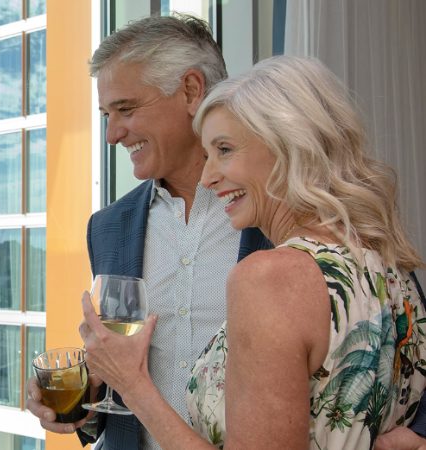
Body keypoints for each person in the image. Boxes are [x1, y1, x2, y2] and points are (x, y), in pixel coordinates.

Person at [79, 55, 426, 449]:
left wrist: (132, 383)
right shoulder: (385, 261)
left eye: (224, 150)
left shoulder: (267, 277)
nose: (208, 176)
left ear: (287, 146)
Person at [26, 14, 272, 450]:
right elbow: (116, 376)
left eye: (125, 108)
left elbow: (399, 323)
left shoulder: (276, 205)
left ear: (192, 91)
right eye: (106, 114)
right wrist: (82, 401)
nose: (112, 134)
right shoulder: (107, 228)